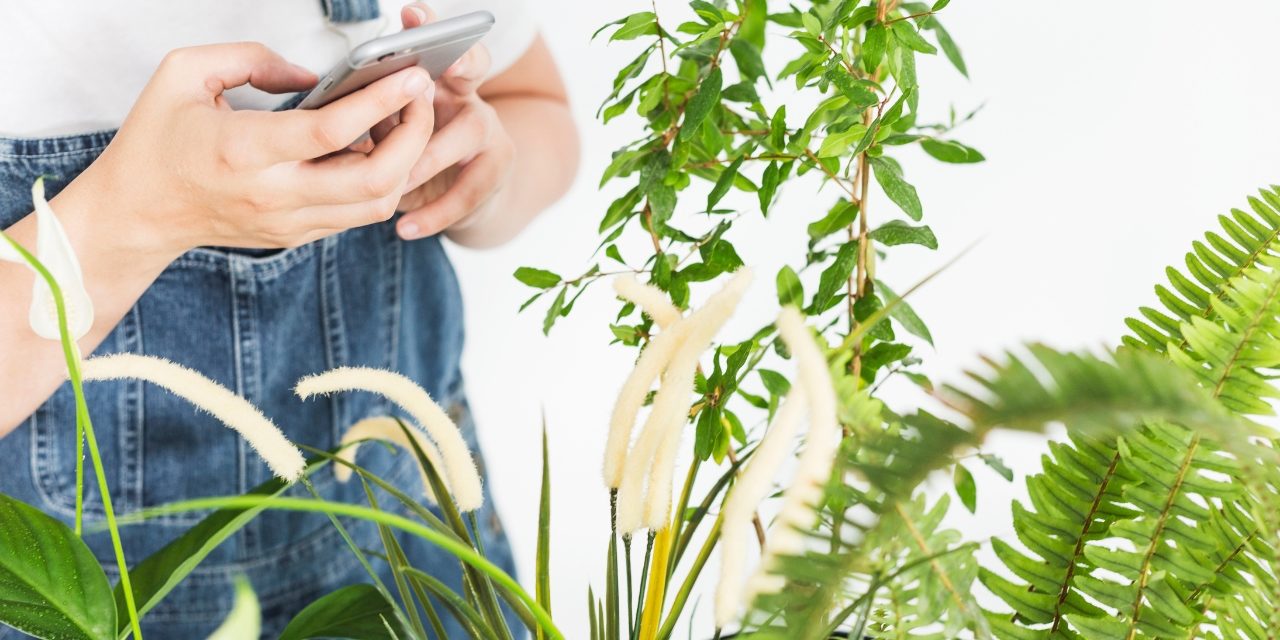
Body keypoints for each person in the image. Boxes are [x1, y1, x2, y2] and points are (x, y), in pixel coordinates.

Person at [0, 0, 578, 636]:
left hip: (418, 540)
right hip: (92, 595)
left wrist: (477, 178)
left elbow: (535, 102)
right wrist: (143, 211)